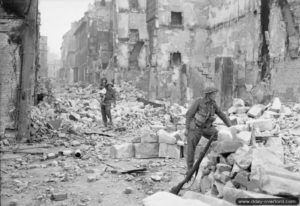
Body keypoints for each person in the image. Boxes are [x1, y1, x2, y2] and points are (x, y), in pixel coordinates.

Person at [185, 86, 232, 171]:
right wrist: (187, 128)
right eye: (214, 94)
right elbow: (189, 114)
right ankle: (189, 170)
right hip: (196, 128)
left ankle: (218, 159)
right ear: (208, 94)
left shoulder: (213, 104)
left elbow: (222, 115)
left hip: (207, 128)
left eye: (215, 93)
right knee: (191, 149)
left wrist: (231, 127)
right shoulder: (199, 102)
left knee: (221, 137)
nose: (215, 95)